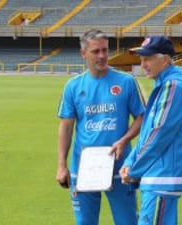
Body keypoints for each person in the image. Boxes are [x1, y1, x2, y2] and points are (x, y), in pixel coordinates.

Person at [56, 29, 145, 225]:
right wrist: (62, 166)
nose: (102, 56)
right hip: (84, 169)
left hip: (120, 169)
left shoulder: (126, 82)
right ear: (83, 54)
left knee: (127, 222)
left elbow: (141, 117)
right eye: (96, 51)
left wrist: (124, 140)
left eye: (105, 50)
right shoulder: (73, 86)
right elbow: (66, 127)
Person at [119, 36, 182, 225]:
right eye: (141, 59)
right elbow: (149, 131)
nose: (143, 64)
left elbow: (159, 133)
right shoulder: (165, 84)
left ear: (165, 59)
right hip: (157, 174)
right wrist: (130, 162)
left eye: (147, 58)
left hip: (161, 175)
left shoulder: (174, 86)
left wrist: (134, 168)